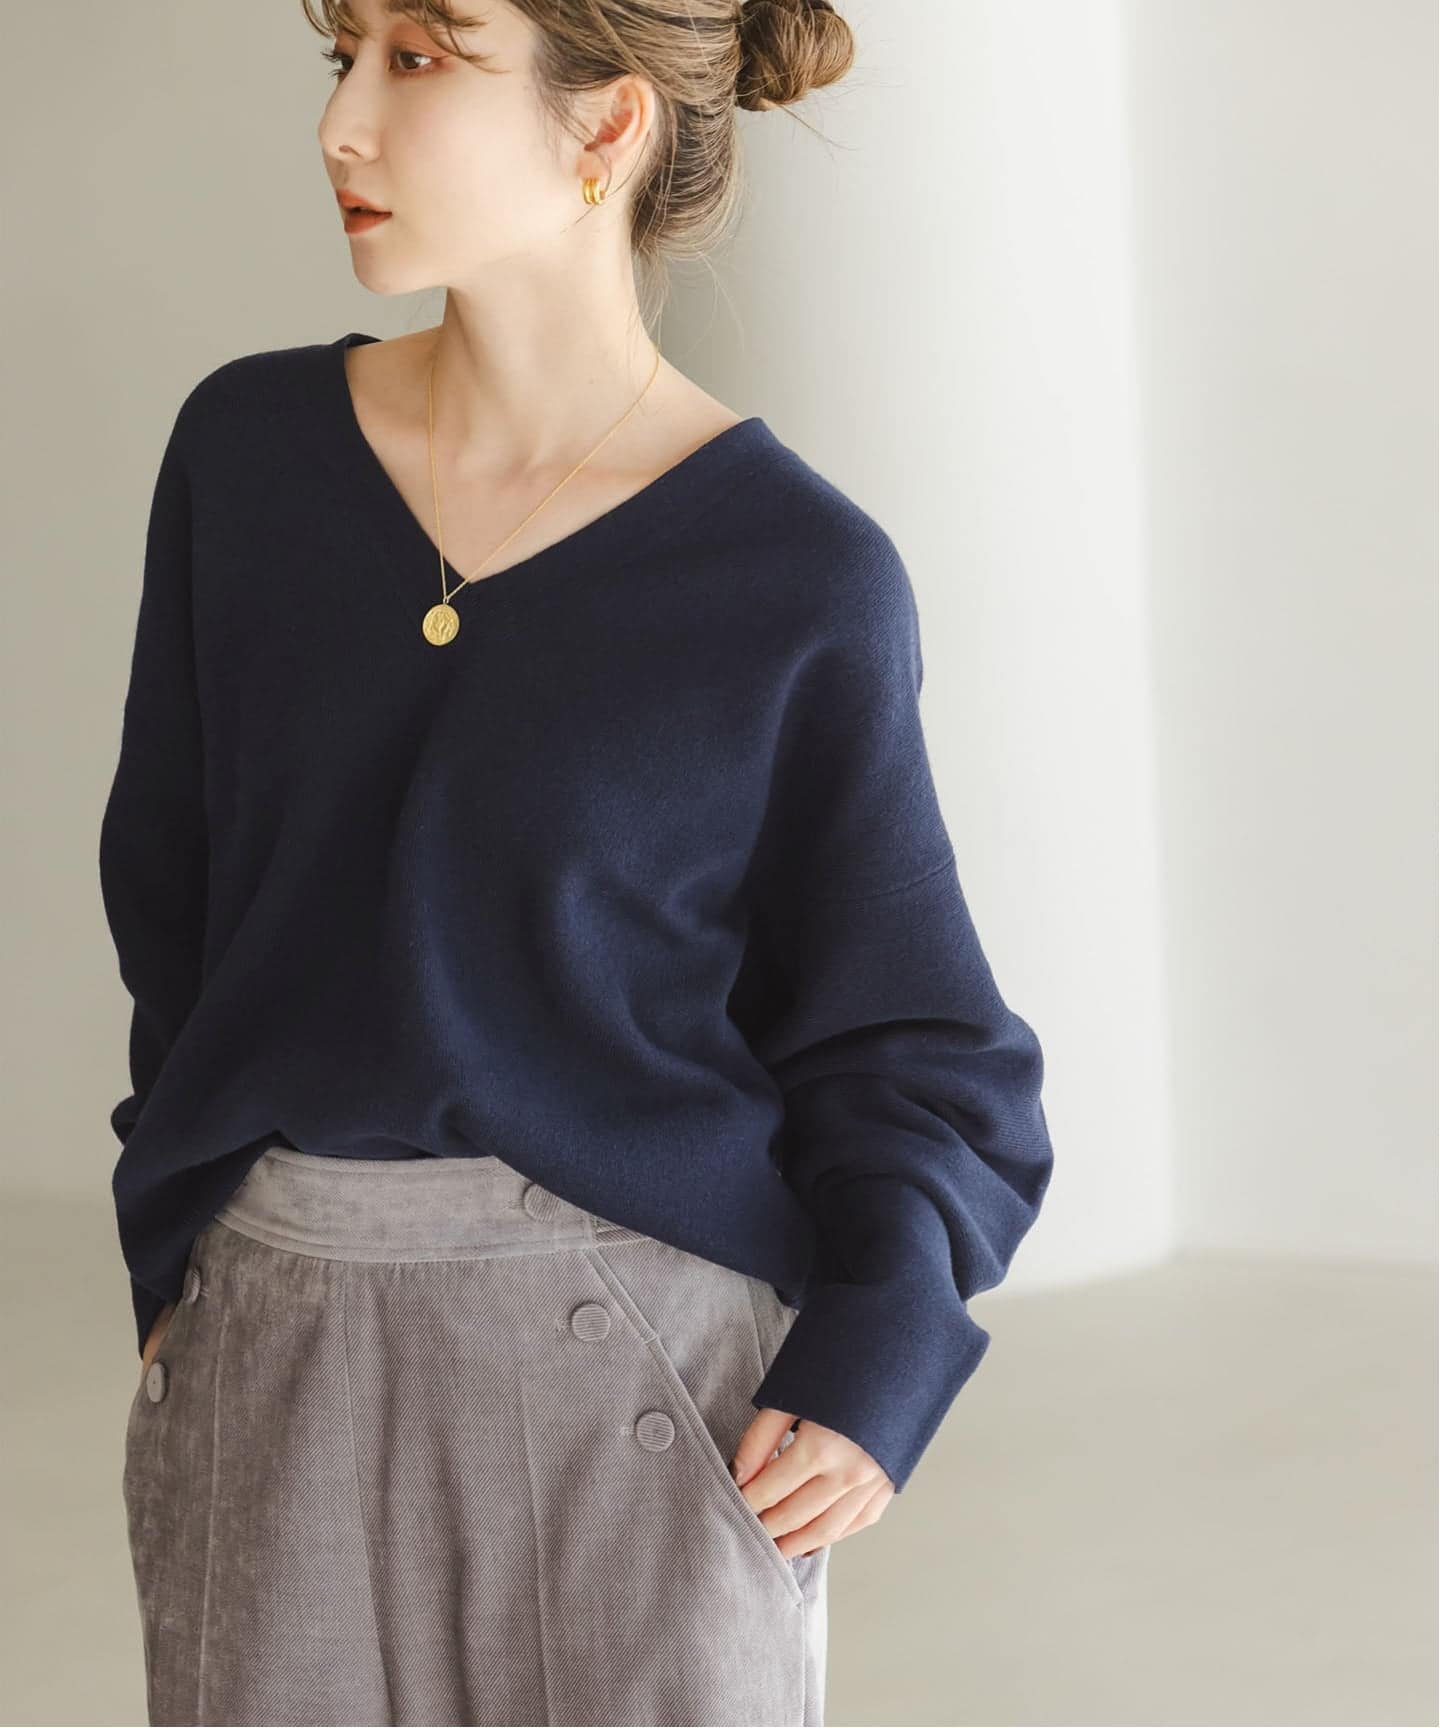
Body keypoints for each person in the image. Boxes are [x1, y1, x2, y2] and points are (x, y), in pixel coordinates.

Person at [100, 1, 1055, 1723]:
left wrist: (880, 1358)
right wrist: (175, 1239)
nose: (342, 123)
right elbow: (174, 900)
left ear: (605, 127)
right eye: (344, 55)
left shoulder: (793, 577)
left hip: (639, 1373)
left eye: (420, 57)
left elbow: (917, 1042)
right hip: (275, 1337)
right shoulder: (245, 458)